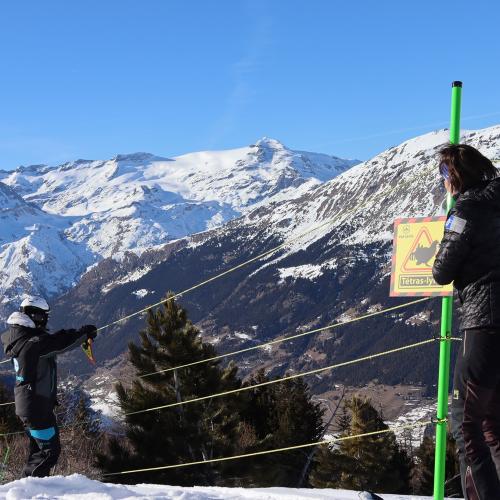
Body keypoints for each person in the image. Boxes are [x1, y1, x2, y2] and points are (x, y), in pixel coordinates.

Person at [432, 143, 500, 499]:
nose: (442, 181)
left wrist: (448, 225)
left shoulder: (466, 209)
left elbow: (442, 270)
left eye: (444, 174)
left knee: (465, 422)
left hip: (483, 321)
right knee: (493, 425)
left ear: (455, 176)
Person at [1, 296, 97, 478]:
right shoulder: (32, 343)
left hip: (31, 404)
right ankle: (29, 491)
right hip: (36, 406)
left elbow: (52, 339)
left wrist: (77, 333)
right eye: (44, 316)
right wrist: (84, 334)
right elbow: (57, 344)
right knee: (48, 452)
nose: (46, 320)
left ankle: (28, 490)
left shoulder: (23, 338)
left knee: (38, 453)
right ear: (36, 316)